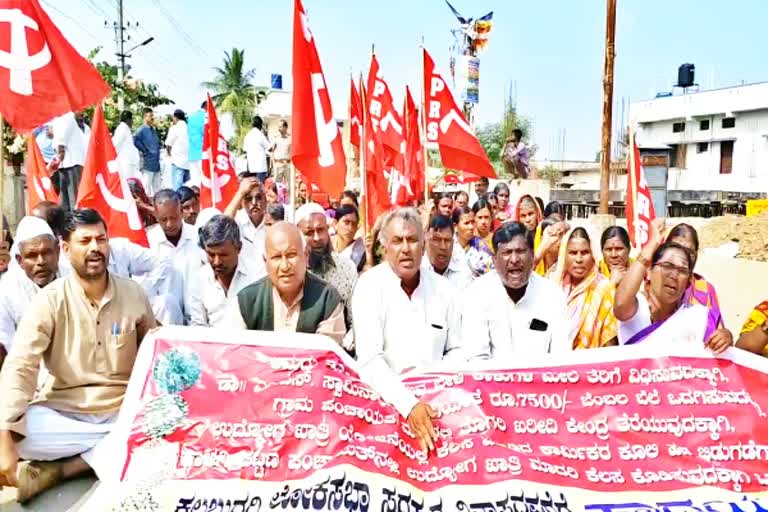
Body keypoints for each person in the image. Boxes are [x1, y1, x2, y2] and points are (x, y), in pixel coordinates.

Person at [0, 209, 156, 502]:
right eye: (85, 241)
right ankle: (113, 452)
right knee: (18, 433)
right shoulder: (49, 300)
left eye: (101, 239)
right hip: (65, 413)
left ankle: (66, 468)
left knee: (167, 422)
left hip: (123, 411)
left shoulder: (134, 294)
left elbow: (157, 351)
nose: (95, 248)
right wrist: (5, 435)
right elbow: (21, 364)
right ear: (67, 249)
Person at [352, 208, 461, 452]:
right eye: (397, 241)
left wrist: (433, 390)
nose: (405, 248)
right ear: (384, 247)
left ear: (423, 246)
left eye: (412, 240)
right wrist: (409, 405)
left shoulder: (445, 291)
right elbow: (369, 359)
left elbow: (457, 349)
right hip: (385, 410)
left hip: (437, 410)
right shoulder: (369, 287)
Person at [613, 219, 731, 353]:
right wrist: (653, 243)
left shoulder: (695, 316)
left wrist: (726, 337)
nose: (674, 275)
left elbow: (715, 345)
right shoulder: (635, 307)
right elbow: (620, 305)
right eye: (667, 266)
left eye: (682, 271)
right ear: (649, 271)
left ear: (688, 281)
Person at [459, 222, 570, 361]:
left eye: (520, 251)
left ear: (532, 255)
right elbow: (476, 358)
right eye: (506, 252)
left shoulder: (553, 296)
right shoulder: (476, 295)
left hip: (541, 380)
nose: (514, 260)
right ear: (494, 259)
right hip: (492, 380)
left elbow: (561, 357)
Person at [231, 222, 346, 345]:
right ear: (265, 261)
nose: (285, 266)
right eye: (276, 257)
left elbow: (324, 355)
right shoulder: (246, 301)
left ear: (306, 256)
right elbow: (238, 354)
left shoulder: (327, 299)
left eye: (291, 255)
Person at [0, 217, 60, 370]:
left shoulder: (74, 276)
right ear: (19, 260)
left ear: (58, 251)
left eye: (46, 252)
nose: (41, 261)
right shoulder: (7, 290)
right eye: (32, 256)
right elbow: (8, 345)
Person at [188, 215, 263, 327]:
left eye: (223, 255)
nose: (217, 262)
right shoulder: (199, 279)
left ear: (239, 248)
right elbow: (198, 325)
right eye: (211, 254)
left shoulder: (257, 276)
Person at [551, 228, 618, 349]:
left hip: (589, 365)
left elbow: (609, 341)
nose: (579, 259)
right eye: (573, 252)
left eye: (585, 252)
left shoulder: (604, 289)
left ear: (593, 255)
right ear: (564, 254)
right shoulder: (552, 285)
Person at [296, 204, 357, 334]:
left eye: (321, 230)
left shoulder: (346, 268)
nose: (317, 238)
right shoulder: (291, 271)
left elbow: (356, 321)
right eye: (309, 233)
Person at [147, 190, 200, 324]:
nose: (169, 224)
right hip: (165, 319)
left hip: (197, 317)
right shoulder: (148, 242)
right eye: (163, 220)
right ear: (156, 216)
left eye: (174, 218)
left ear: (181, 212)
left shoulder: (198, 236)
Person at [666, 223, 726, 336]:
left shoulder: (706, 290)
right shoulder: (653, 282)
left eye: (689, 252)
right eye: (676, 248)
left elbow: (717, 330)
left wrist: (725, 336)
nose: (683, 256)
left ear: (697, 254)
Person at [224, 176, 267, 271]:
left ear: (265, 199)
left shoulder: (272, 221)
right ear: (242, 202)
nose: (254, 203)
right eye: (248, 198)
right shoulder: (237, 220)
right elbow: (223, 225)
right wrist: (240, 192)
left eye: (258, 197)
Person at [52, 111, 90, 211]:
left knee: (66, 197)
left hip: (67, 162)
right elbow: (61, 138)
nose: (82, 112)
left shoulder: (59, 118)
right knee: (73, 197)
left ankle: (69, 220)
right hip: (71, 162)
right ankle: (73, 221)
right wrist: (60, 152)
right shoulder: (67, 116)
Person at [423, 215, 472, 290]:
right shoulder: (417, 270)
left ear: (453, 243)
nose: (443, 247)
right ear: (426, 241)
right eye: (437, 240)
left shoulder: (463, 272)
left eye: (447, 240)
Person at [452, 206, 494, 278]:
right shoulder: (448, 245)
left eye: (472, 222)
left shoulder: (481, 246)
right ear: (455, 226)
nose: (471, 227)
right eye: (467, 223)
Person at [133, 108, 162, 196]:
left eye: (152, 115)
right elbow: (134, 139)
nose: (152, 118)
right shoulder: (141, 129)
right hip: (148, 162)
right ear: (145, 117)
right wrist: (144, 151)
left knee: (157, 188)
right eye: (150, 116)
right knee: (146, 187)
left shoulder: (153, 129)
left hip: (156, 162)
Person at [333, 205, 366, 272]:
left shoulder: (361, 250)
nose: (350, 229)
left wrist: (369, 253)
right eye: (346, 222)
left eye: (354, 224)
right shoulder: (326, 246)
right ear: (336, 223)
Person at [165, 109, 190, 190]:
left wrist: (169, 153)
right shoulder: (189, 128)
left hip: (177, 161)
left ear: (175, 117)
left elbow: (168, 143)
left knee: (177, 187)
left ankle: (178, 201)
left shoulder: (174, 128)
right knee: (187, 186)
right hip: (188, 162)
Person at [112, 111, 140, 180]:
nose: (132, 122)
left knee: (131, 185)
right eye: (132, 119)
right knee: (127, 185)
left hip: (129, 163)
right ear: (128, 119)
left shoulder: (126, 129)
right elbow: (115, 144)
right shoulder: (122, 129)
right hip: (125, 163)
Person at [243, 116, 270, 182]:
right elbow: (269, 148)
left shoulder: (247, 135)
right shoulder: (260, 135)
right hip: (260, 168)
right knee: (260, 189)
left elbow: (245, 150)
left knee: (253, 189)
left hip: (251, 168)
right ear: (260, 125)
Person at [187, 101, 207, 185]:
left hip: (192, 154)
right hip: (204, 153)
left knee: (195, 181)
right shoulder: (207, 117)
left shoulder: (191, 117)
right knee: (206, 181)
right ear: (207, 107)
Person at [271, 120, 291, 188]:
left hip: (288, 165)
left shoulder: (290, 138)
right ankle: (279, 199)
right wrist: (274, 165)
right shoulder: (276, 138)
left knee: (289, 186)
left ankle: (289, 198)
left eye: (280, 126)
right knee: (277, 186)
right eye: (278, 126)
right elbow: (272, 151)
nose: (279, 128)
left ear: (285, 127)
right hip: (278, 165)